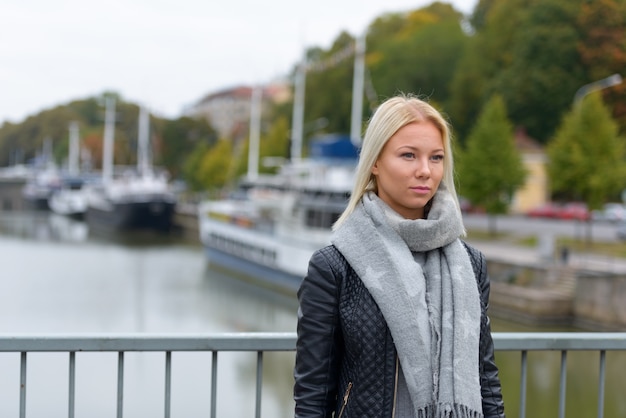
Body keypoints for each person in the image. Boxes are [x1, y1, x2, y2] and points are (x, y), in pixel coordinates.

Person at [293, 94, 505, 418]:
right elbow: (313, 395)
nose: (425, 171)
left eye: (436, 158)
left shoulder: (469, 264)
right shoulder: (335, 267)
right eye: (408, 155)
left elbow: (485, 377)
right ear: (375, 162)